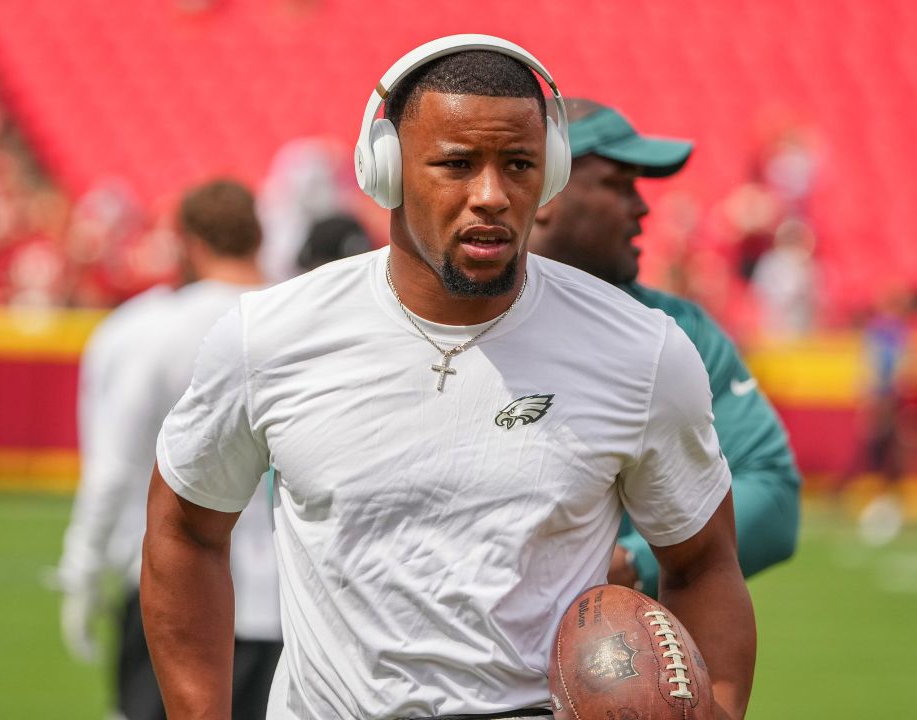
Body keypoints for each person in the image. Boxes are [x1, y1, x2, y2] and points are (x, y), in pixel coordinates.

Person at [142, 36, 755, 720]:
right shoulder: (270, 336)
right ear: (387, 170)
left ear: (549, 175)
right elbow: (186, 528)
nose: (491, 195)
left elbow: (703, 562)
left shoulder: (641, 351)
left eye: (519, 164)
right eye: (456, 165)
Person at [528, 98, 801, 589]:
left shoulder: (679, 330)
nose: (643, 205)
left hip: (620, 655)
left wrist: (632, 565)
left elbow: (773, 495)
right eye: (618, 184)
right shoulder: (450, 324)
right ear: (544, 194)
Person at [57, 179, 282, 720]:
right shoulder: (301, 318)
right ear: (256, 235)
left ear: (188, 242)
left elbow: (113, 466)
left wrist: (82, 569)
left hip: (174, 588)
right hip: (286, 598)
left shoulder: (154, 329)